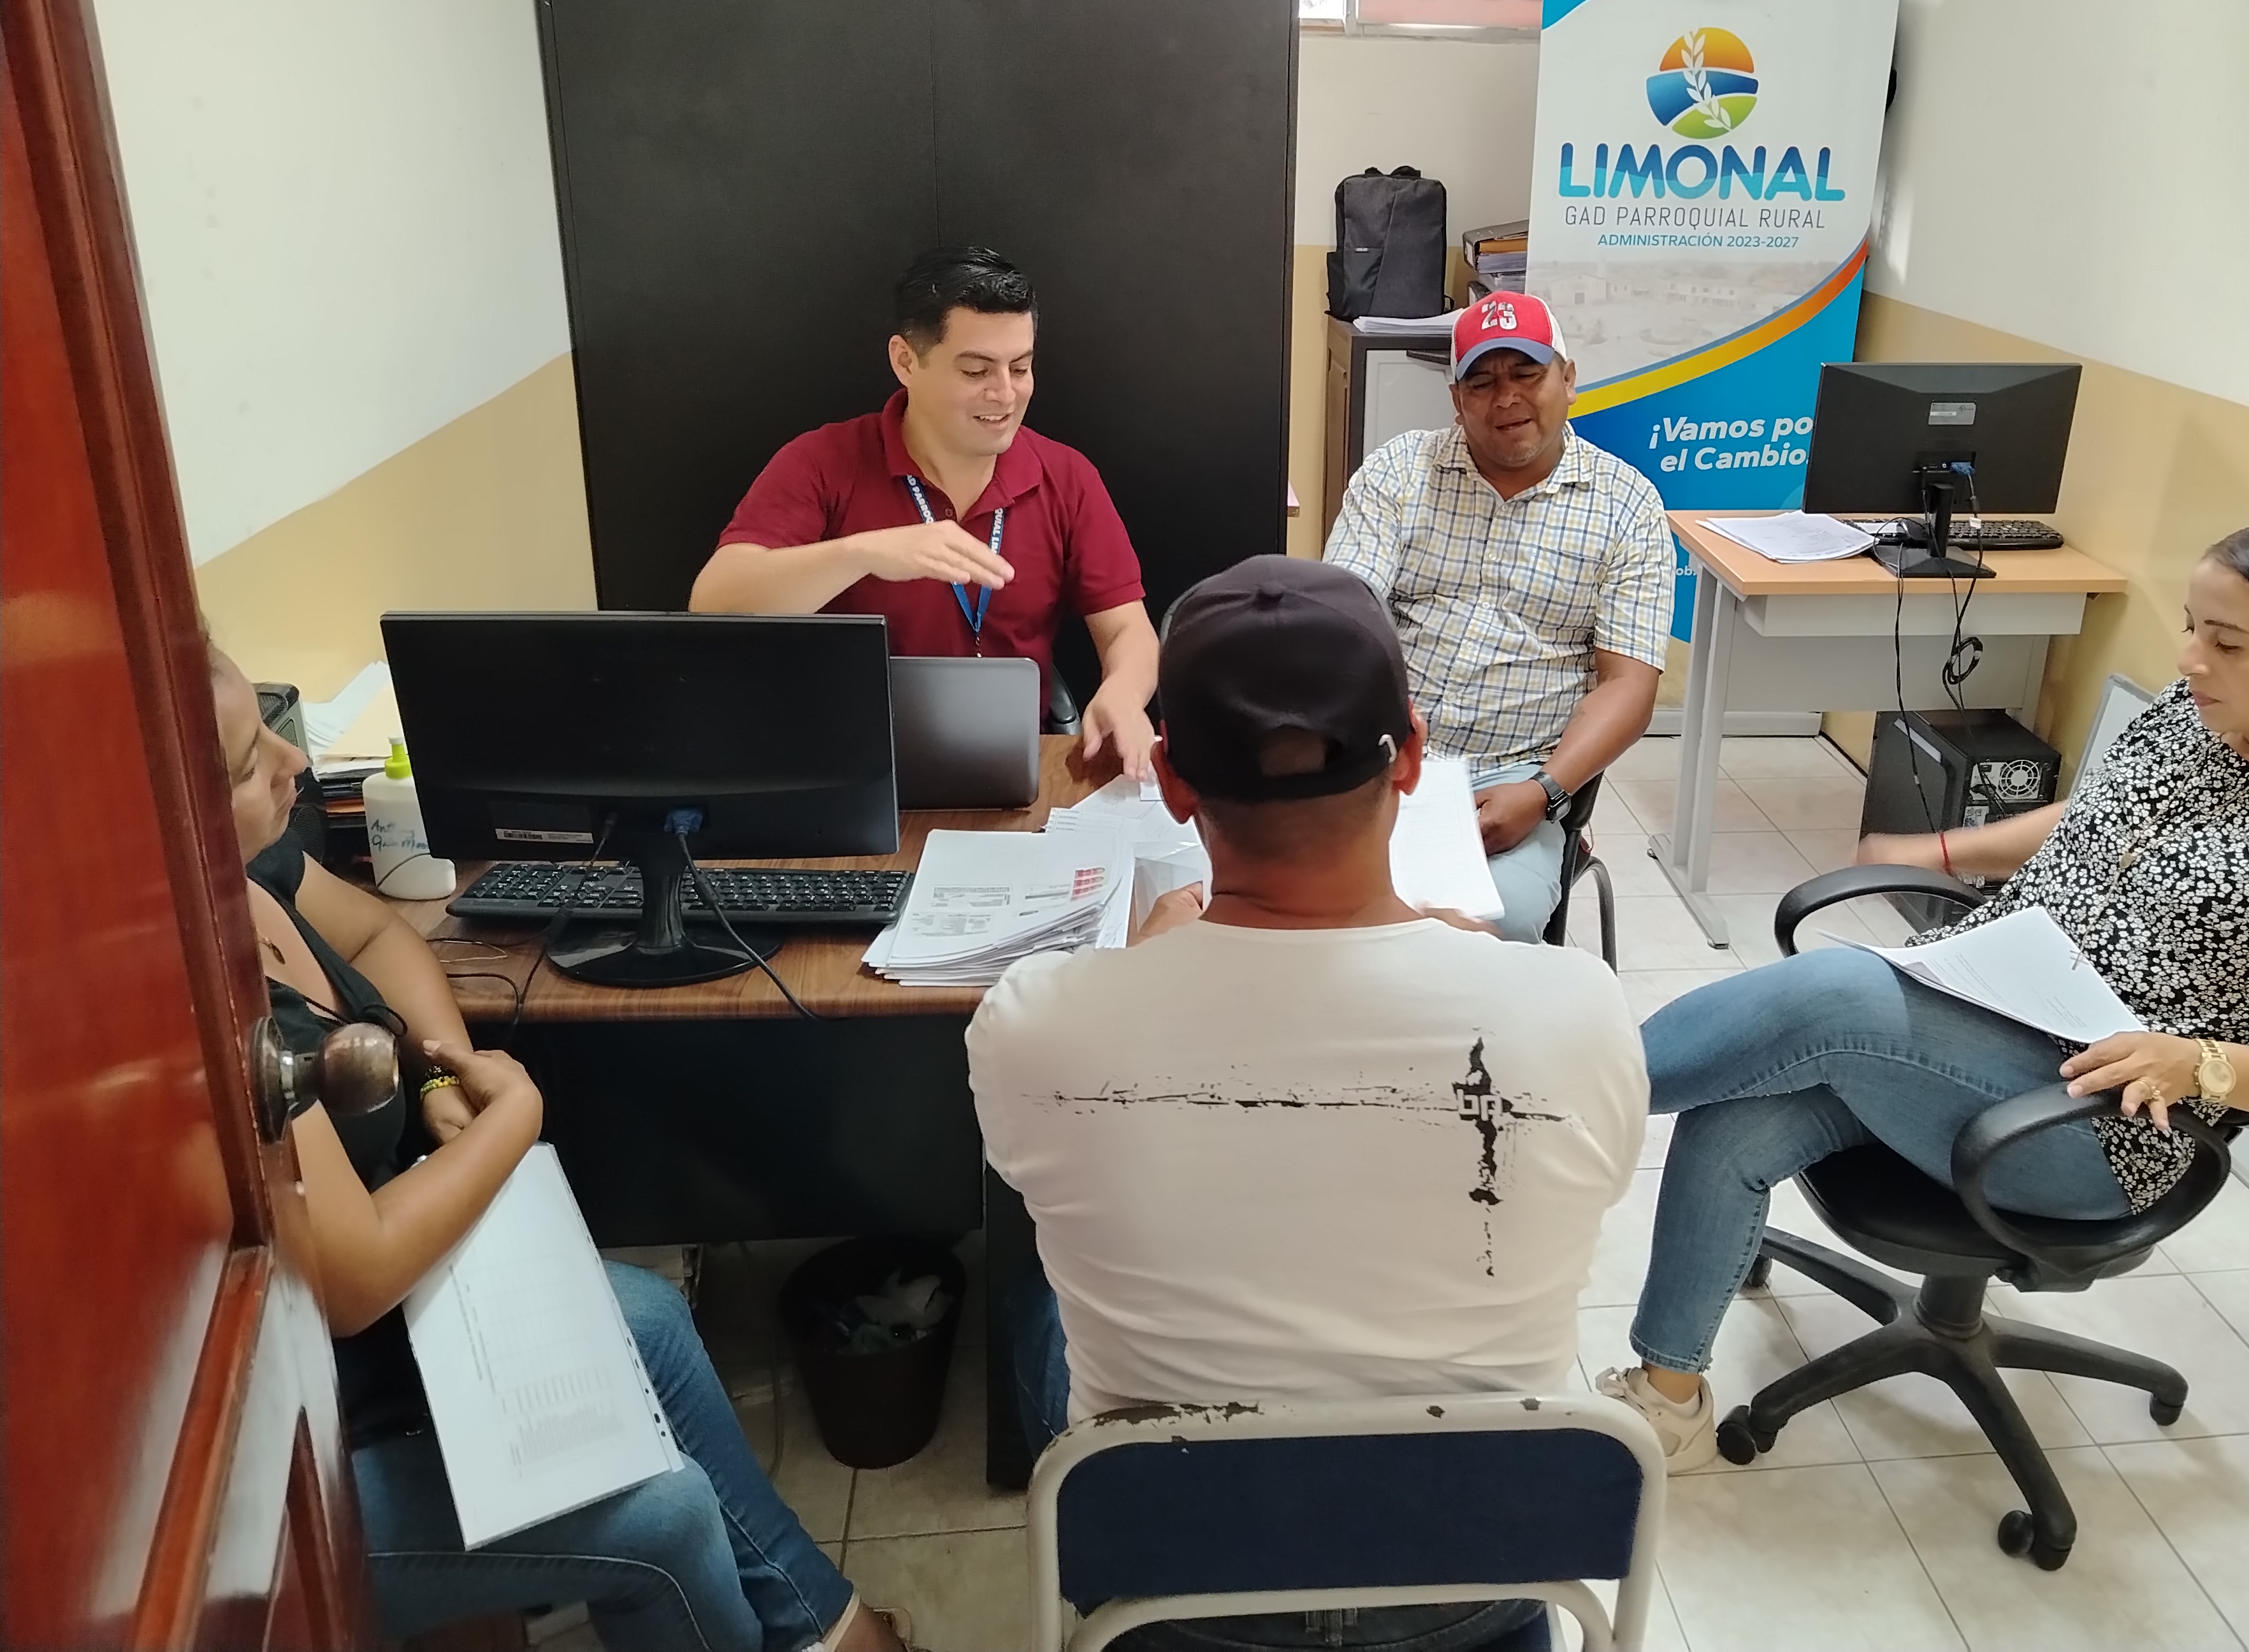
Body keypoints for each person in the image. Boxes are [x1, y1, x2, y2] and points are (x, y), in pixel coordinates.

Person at [1598, 518, 2249, 1468]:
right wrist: (1943, 850)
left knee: (1834, 994)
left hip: (2102, 1121)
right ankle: (1669, 1400)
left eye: (2228, 644)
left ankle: (1556, 1093)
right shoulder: (2193, 720)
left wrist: (2201, 1064)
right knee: (1738, 1113)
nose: (2191, 660)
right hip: (1992, 1016)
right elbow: (2093, 816)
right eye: (2192, 627)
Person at [969, 557, 1647, 1652]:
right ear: (1412, 755)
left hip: (1175, 1588)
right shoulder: (1575, 1012)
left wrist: (1143, 966)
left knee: (1049, 1290)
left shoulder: (1039, 1026)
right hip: (1476, 1586)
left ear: (1173, 781)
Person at [210, 649, 912, 1652]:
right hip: (304, 1438)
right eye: (250, 763)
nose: (294, 764)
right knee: (668, 1518)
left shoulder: (257, 869)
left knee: (650, 1320)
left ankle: (822, 1630)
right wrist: (511, 1119)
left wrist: (441, 1077)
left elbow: (377, 939)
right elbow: (356, 1277)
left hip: (377, 1337)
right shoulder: (225, 1016)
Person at [691, 244, 1159, 778]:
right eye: (976, 371)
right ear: (906, 362)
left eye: (1021, 368)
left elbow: (1128, 629)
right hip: (847, 764)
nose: (1005, 395)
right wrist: (862, 553)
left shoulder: (1066, 475)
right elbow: (714, 603)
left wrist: (1124, 693)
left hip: (1010, 762)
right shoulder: (822, 462)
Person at [1324, 291, 1675, 941]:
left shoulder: (1628, 506)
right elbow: (1345, 618)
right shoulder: (1400, 471)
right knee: (1302, 899)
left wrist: (1545, 792)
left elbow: (1628, 685)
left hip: (1519, 771)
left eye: (1526, 373)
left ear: (1568, 380)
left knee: (1493, 922)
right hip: (1384, 752)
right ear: (1456, 399)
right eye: (1481, 382)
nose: (1506, 398)